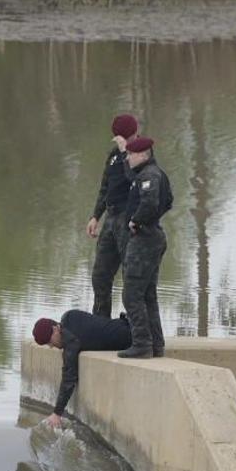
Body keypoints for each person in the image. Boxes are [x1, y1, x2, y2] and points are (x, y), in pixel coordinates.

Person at [117, 136, 173, 359]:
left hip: (145, 239)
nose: (128, 158)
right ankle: (155, 345)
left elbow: (150, 203)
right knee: (148, 294)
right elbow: (168, 201)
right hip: (152, 237)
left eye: (130, 154)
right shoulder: (151, 173)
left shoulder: (150, 176)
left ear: (142, 155)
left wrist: (136, 221)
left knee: (132, 294)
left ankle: (142, 343)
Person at [32, 310, 132, 428]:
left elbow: (69, 378)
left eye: (50, 341)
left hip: (130, 337)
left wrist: (57, 413)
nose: (51, 346)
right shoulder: (69, 315)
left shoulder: (71, 341)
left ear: (55, 329)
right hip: (127, 323)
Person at [87, 114, 138, 318]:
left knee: (131, 277)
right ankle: (100, 322)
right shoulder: (113, 155)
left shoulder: (141, 154)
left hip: (129, 219)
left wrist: (127, 152)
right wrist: (95, 216)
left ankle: (135, 330)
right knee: (100, 275)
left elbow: (137, 178)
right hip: (111, 217)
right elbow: (105, 186)